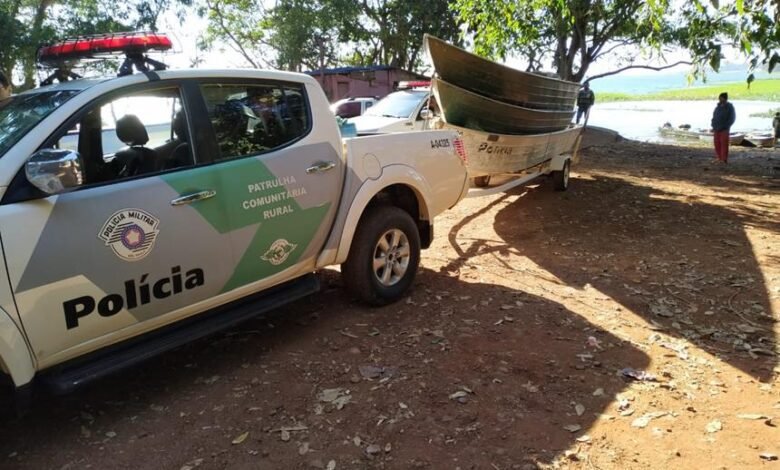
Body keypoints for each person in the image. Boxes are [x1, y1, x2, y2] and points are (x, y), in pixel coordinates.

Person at [710, 92, 736, 164]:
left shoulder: (730, 107)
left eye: (721, 98)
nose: (720, 99)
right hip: (716, 128)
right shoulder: (717, 107)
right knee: (717, 143)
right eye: (719, 98)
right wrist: (713, 125)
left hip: (724, 129)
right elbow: (714, 116)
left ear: (725, 98)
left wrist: (726, 126)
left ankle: (724, 159)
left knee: (724, 144)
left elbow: (732, 118)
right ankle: (719, 157)